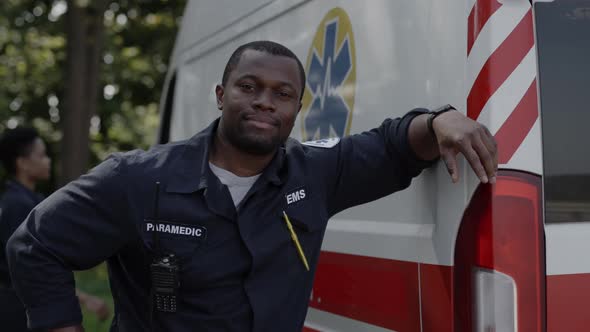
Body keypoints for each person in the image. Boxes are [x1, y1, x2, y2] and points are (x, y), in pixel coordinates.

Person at [6, 41, 497, 332]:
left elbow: (393, 145)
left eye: (282, 94)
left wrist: (440, 120)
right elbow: (35, 243)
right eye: (249, 87)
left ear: (296, 110)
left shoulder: (315, 174)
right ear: (221, 95)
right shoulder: (137, 178)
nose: (265, 102)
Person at [0, 127, 110, 331]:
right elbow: (31, 267)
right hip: (17, 312)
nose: (48, 160)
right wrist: (86, 300)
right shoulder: (16, 205)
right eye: (41, 156)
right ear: (22, 163)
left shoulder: (32, 201)